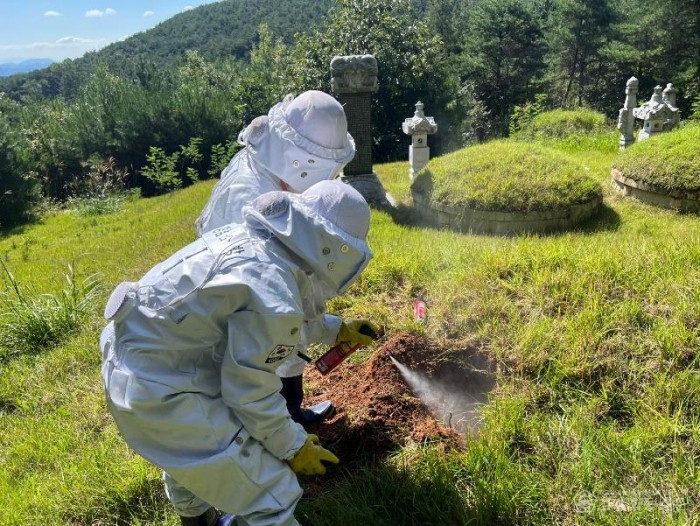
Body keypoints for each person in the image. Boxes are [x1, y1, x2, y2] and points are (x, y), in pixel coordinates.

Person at [100, 180, 376, 526]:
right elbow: (250, 392)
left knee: (194, 464)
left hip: (136, 369)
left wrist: (336, 329)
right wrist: (293, 447)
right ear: (332, 249)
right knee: (273, 494)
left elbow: (261, 319)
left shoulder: (257, 246)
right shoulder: (273, 287)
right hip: (163, 394)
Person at [195, 90, 357, 425]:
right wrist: (322, 328)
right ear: (298, 160)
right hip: (239, 306)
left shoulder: (276, 178)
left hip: (265, 305)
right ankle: (278, 436)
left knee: (283, 357)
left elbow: (302, 275)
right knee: (261, 368)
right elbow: (273, 300)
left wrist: (330, 328)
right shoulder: (248, 198)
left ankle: (291, 414)